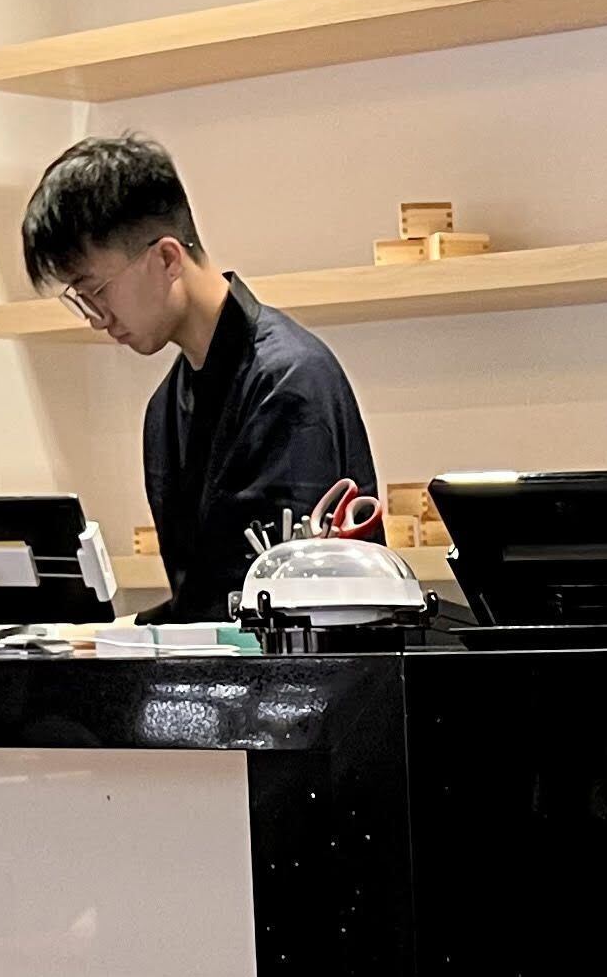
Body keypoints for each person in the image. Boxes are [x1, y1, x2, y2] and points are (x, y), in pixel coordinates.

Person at [19, 133, 380, 620]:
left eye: (96, 289)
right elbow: (205, 602)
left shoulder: (290, 382)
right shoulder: (165, 408)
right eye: (80, 299)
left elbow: (274, 604)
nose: (95, 316)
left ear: (167, 258)